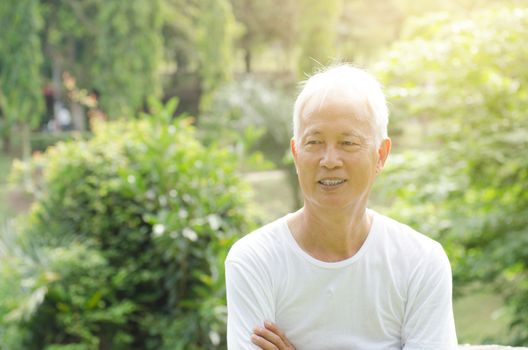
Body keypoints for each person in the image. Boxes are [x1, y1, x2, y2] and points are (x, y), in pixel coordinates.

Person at [225, 64, 458, 350]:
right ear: (296, 153)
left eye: (348, 142)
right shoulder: (255, 260)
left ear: (381, 154)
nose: (330, 159)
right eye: (314, 142)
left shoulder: (421, 262)